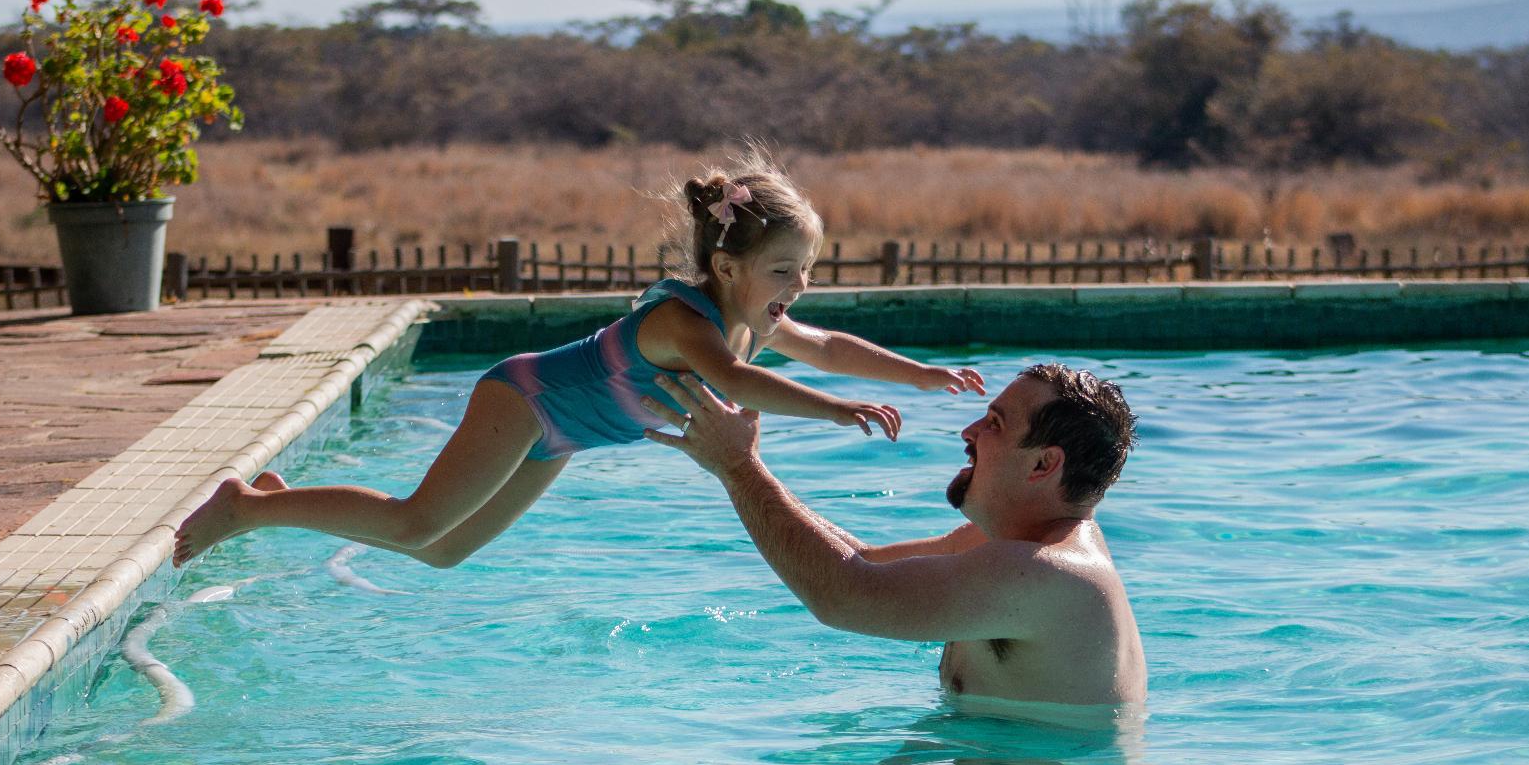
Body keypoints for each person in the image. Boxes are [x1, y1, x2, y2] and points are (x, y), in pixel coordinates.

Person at [173, 149, 984, 569]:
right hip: (525, 400)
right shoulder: (686, 322)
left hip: (562, 435)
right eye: (784, 271)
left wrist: (918, 374)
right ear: (728, 268)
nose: (798, 287)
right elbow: (736, 382)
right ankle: (244, 507)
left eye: (807, 270)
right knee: (419, 521)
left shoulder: (758, 318)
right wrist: (835, 412)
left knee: (445, 551)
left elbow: (829, 346)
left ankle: (283, 502)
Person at [640, 362, 1146, 715]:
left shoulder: (1048, 573)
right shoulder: (1003, 548)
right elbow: (861, 562)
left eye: (994, 424)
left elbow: (843, 595)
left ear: (1043, 464)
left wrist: (738, 467)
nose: (969, 432)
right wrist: (741, 460)